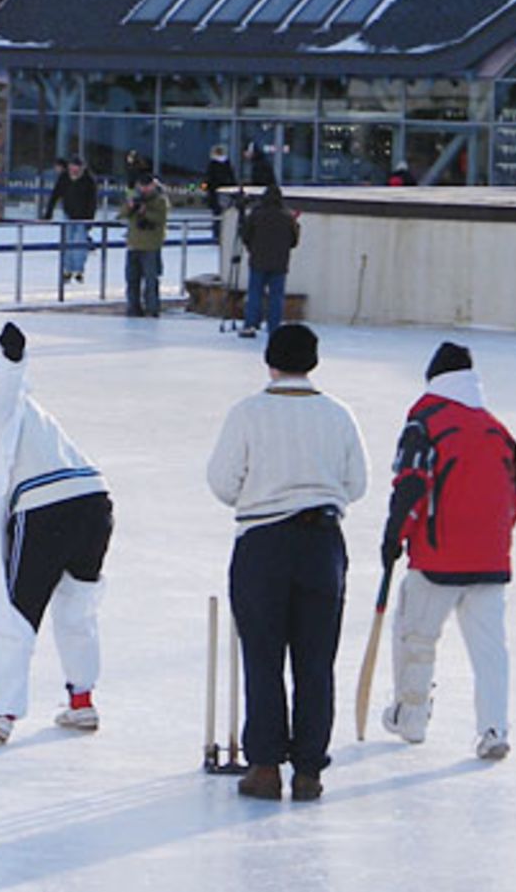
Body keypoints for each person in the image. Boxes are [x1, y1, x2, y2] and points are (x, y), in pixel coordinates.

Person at [207, 324, 369, 801]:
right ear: (313, 362)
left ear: (270, 361)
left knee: (263, 657)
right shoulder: (338, 414)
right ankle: (309, 770)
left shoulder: (248, 413)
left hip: (263, 542)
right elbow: (357, 484)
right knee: (316, 662)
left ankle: (264, 766)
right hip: (322, 543)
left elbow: (222, 481)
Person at [0, 322, 114, 745]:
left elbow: (3, 388)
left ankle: (1, 714)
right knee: (78, 607)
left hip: (46, 509)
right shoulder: (35, 413)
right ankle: (82, 701)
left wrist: (12, 357)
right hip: (94, 502)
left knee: (11, 612)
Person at [379, 342, 516, 760]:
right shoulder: (498, 430)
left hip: (437, 556)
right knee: (490, 650)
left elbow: (411, 482)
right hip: (492, 559)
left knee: (416, 636)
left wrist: (395, 535)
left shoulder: (425, 420)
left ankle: (412, 716)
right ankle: (494, 729)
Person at [238, 183, 300, 338]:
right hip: (280, 263)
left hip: (258, 260)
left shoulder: (256, 214)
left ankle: (250, 325)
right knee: (276, 297)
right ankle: (274, 327)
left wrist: (252, 248)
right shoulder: (287, 216)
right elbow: (294, 241)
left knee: (255, 294)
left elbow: (246, 235)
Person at [117, 172, 169, 317]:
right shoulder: (134, 197)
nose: (144, 189)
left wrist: (145, 212)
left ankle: (152, 308)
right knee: (132, 280)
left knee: (151, 280)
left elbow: (160, 218)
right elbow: (121, 214)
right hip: (133, 244)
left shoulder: (160, 200)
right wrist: (130, 206)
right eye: (142, 186)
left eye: (148, 186)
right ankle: (133, 308)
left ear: (153, 185)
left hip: (151, 246)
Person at [44, 155, 98, 282]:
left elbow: (92, 201)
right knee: (67, 242)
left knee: (80, 243)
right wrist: (49, 212)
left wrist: (90, 220)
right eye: (72, 168)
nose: (74, 170)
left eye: (76, 168)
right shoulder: (64, 178)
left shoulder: (88, 180)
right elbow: (55, 194)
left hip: (83, 216)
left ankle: (78, 270)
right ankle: (67, 270)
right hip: (68, 214)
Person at [202, 145, 236, 235]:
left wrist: (203, 188)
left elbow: (207, 180)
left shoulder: (212, 165)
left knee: (217, 216)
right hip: (227, 195)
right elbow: (233, 180)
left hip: (215, 194)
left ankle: (217, 233)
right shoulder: (228, 165)